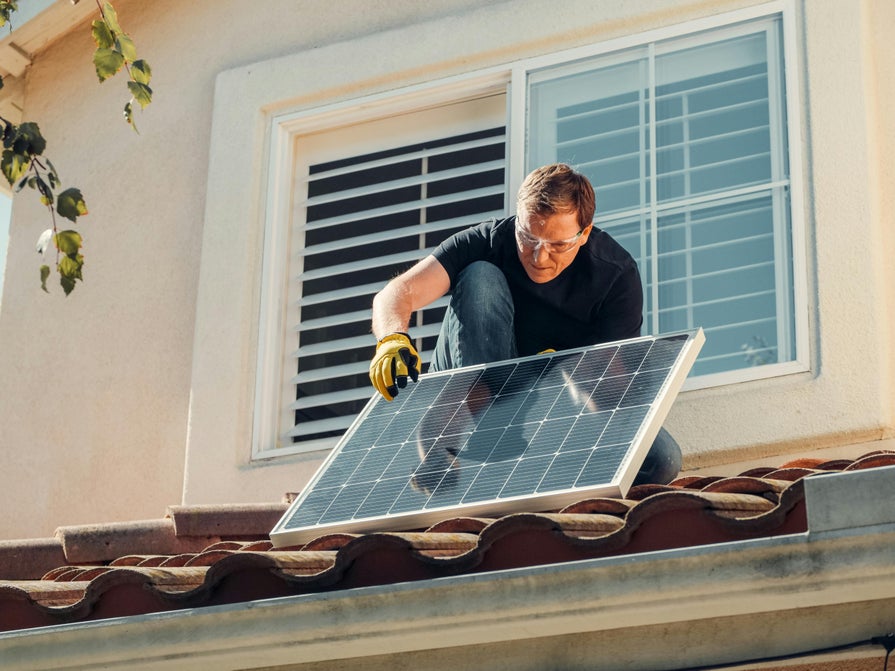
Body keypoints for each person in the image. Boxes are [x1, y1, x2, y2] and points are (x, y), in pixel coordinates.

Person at [368, 163, 681, 486]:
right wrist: (391, 339)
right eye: (528, 237)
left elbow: (618, 396)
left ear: (585, 233)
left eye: (558, 245)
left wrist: (569, 376)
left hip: (556, 406)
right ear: (517, 220)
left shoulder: (614, 276)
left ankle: (535, 454)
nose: (539, 257)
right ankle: (477, 430)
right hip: (479, 391)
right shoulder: (488, 241)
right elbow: (397, 293)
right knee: (480, 276)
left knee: (659, 460)